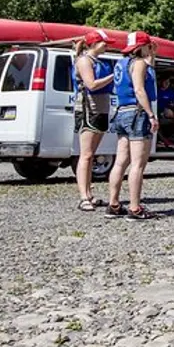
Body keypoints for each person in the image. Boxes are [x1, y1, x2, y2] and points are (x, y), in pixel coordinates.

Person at [105, 31, 159, 220]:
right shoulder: (139, 64)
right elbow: (139, 89)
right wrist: (151, 115)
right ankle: (135, 207)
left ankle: (113, 203)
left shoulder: (121, 63)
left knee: (121, 161)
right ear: (141, 46)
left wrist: (151, 55)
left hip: (121, 111)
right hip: (137, 112)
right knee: (138, 164)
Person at [72, 30, 114, 211]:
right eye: (104, 43)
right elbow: (91, 84)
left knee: (92, 154)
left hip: (101, 108)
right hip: (89, 109)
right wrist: (114, 76)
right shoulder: (84, 61)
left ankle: (89, 193)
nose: (107, 46)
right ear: (94, 44)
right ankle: (83, 196)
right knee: (86, 154)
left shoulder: (98, 61)